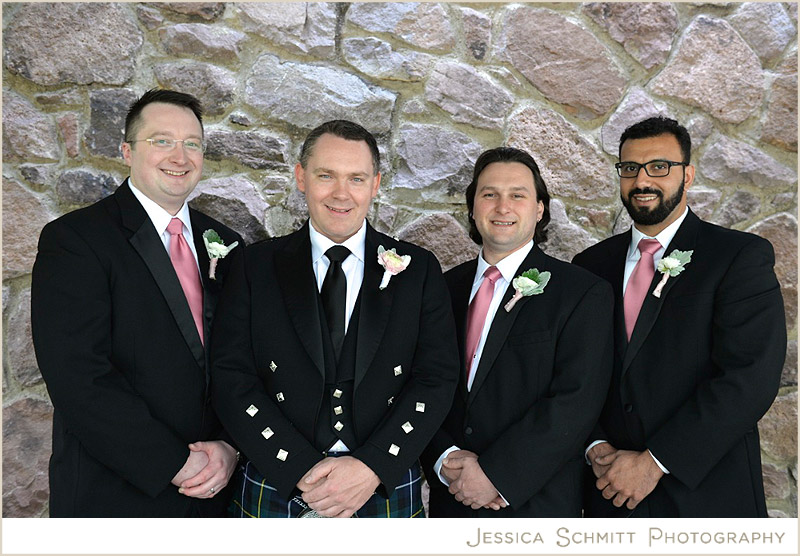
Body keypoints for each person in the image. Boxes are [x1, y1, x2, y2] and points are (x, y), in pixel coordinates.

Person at [210, 119, 459, 518]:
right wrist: (297, 467)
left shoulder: (418, 270)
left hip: (379, 484)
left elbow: (436, 377)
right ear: (301, 178)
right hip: (278, 474)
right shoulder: (255, 266)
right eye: (326, 176)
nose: (341, 193)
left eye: (356, 179)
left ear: (375, 184)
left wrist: (375, 465)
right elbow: (230, 374)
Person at [31, 89, 243, 517]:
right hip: (116, 492)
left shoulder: (227, 244)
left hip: (216, 491)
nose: (179, 156)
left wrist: (231, 446)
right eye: (161, 141)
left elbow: (244, 358)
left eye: (192, 144)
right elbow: (77, 375)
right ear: (127, 151)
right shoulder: (76, 240)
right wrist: (174, 463)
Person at [573, 116, 786, 517]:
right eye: (630, 169)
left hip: (705, 496)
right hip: (610, 492)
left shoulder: (737, 257)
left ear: (687, 175)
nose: (642, 181)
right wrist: (595, 446)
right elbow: (577, 371)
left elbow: (749, 378)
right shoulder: (590, 264)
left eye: (659, 167)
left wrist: (654, 462)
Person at [421, 147, 614, 517]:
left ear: (540, 208)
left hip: (534, 504)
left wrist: (496, 475)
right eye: (489, 194)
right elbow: (423, 382)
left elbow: (576, 400)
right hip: (453, 498)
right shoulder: (443, 289)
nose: (502, 207)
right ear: (473, 206)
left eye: (518, 195)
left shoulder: (580, 292)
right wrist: (443, 456)